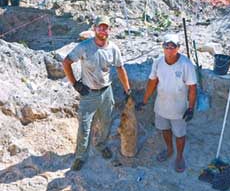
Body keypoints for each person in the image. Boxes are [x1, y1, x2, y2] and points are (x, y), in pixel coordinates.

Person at [62, 15, 131, 171]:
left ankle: (101, 144)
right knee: (85, 126)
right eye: (100, 26)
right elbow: (66, 62)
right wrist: (75, 84)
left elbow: (120, 68)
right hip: (88, 93)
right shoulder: (84, 46)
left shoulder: (113, 48)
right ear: (94, 28)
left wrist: (128, 89)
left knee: (106, 121)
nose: (103, 29)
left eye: (105, 27)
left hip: (107, 92)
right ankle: (80, 156)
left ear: (109, 30)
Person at [137, 34, 197, 172]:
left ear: (178, 48)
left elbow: (193, 87)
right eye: (167, 46)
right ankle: (170, 150)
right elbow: (152, 82)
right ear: (163, 47)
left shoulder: (186, 64)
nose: (169, 50)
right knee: (164, 129)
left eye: (173, 46)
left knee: (180, 134)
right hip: (161, 105)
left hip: (179, 108)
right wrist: (144, 101)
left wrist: (191, 108)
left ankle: (180, 157)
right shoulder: (158, 62)